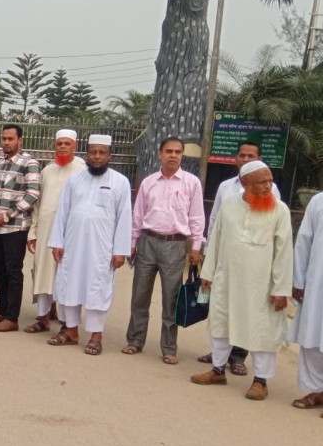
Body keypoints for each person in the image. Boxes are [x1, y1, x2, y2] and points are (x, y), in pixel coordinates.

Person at [191, 161, 293, 401]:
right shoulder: (229, 205)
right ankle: (218, 371)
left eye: (270, 180)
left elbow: (284, 253)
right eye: (262, 181)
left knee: (262, 331)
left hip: (262, 287)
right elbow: (216, 240)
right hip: (227, 280)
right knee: (220, 323)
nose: (268, 185)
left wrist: (280, 289)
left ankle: (261, 381)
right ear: (245, 183)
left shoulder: (280, 210)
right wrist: (208, 273)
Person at [195, 140, 280, 374]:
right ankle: (218, 365)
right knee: (221, 314)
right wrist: (208, 264)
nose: (268, 186)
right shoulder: (227, 193)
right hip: (227, 268)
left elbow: (280, 243)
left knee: (252, 318)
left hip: (258, 274)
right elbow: (216, 226)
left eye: (251, 156)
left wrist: (280, 285)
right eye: (242, 155)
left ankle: (245, 365)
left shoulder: (274, 198)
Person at [46, 135, 132, 355]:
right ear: (87, 154)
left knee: (97, 288)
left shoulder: (120, 182)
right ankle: (71, 332)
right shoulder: (74, 180)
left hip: (102, 248)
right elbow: (63, 211)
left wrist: (120, 251)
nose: (97, 157)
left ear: (109, 155)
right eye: (93, 152)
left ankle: (96, 336)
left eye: (102, 152)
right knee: (69, 286)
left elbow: (124, 218)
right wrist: (57, 242)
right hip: (72, 244)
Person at [123, 137, 204, 364]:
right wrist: (132, 244)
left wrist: (196, 247)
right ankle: (135, 340)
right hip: (148, 241)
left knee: (171, 299)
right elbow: (137, 215)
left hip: (175, 245)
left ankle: (169, 347)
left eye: (178, 152)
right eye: (169, 151)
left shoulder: (191, 183)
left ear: (182, 155)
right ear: (160, 154)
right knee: (139, 295)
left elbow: (197, 217)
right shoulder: (149, 182)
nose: (173, 155)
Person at [26, 130, 86, 333]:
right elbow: (37, 205)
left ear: (74, 146)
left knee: (67, 274)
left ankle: (66, 321)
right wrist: (33, 232)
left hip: (71, 232)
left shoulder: (82, 170)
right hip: (45, 231)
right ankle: (43, 317)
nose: (62, 147)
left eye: (67, 144)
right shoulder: (47, 170)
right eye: (59, 143)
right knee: (42, 273)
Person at [0, 124, 41, 332]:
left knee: (13, 271)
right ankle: (2, 310)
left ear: (20, 140)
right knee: (0, 270)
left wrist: (8, 215)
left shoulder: (29, 163)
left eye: (10, 139)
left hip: (16, 228)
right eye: (4, 138)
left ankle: (12, 318)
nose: (6, 142)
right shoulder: (1, 163)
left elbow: (33, 194)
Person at [291, 192, 323, 412]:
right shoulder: (318, 201)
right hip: (317, 281)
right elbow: (304, 240)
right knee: (312, 333)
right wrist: (298, 281)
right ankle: (316, 389)